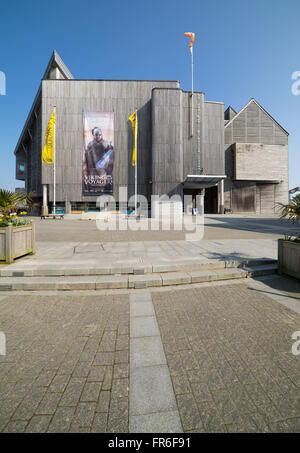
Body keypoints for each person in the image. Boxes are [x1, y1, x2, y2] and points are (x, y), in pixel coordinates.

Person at [83, 127, 114, 193]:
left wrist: (110, 147)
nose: (98, 136)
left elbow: (110, 152)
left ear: (101, 135)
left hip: (102, 167)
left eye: (99, 135)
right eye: (96, 135)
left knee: (104, 181)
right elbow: (87, 155)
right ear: (94, 135)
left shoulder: (105, 142)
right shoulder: (90, 144)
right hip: (93, 166)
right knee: (94, 183)